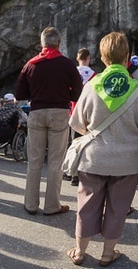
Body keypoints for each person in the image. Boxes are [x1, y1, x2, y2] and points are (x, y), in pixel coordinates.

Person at [66, 32, 138, 266]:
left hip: (94, 158)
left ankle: (79, 251)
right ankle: (108, 253)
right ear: (127, 57)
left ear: (103, 59)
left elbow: (76, 123)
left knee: (86, 205)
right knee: (118, 207)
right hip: (127, 160)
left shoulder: (91, 85)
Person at [16, 27, 83, 215]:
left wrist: (35, 93)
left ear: (42, 44)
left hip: (36, 112)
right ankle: (52, 205)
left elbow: (20, 93)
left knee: (35, 161)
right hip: (59, 112)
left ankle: (30, 204)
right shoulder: (67, 65)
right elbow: (78, 92)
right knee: (55, 161)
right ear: (59, 43)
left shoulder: (31, 64)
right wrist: (64, 93)